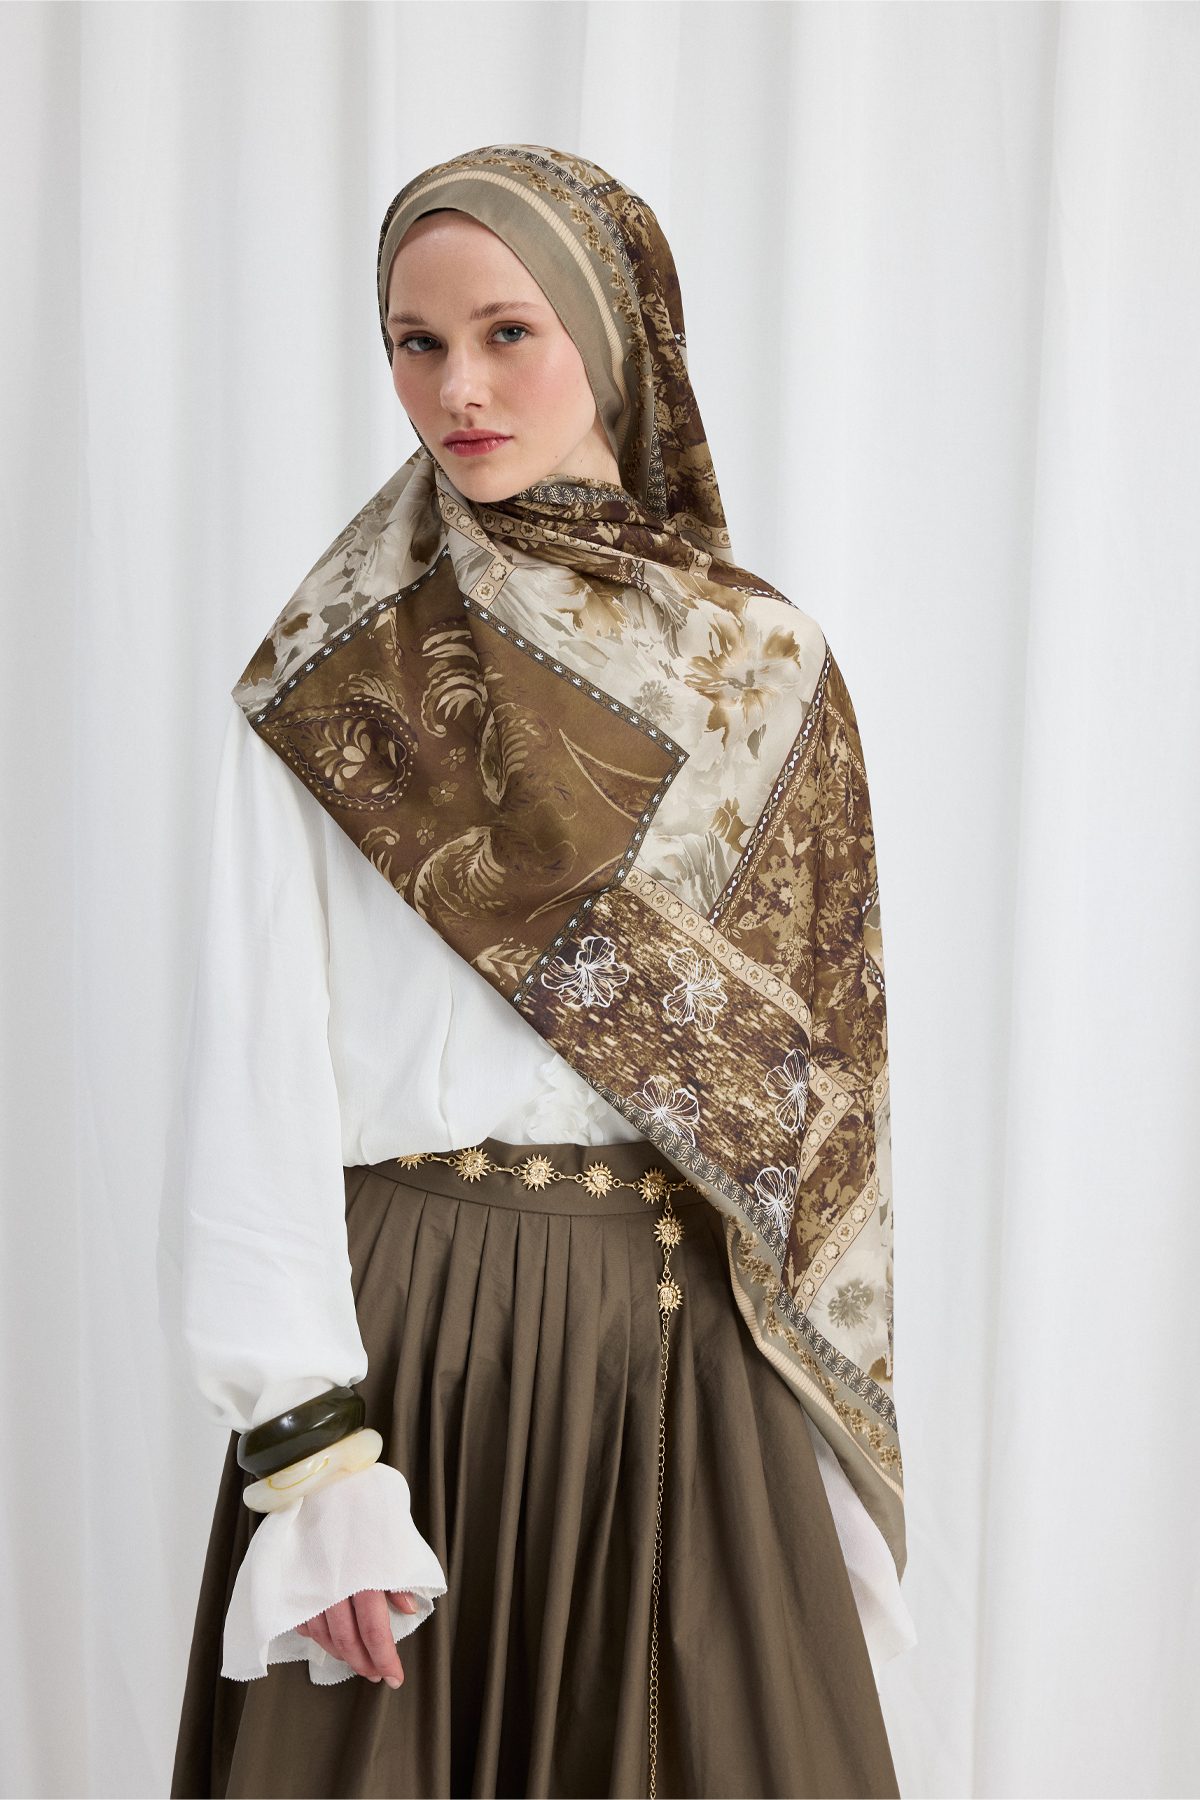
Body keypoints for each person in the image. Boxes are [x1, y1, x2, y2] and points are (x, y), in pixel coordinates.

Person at [167, 144, 912, 1800]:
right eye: (417, 342)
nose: (461, 388)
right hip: (414, 1346)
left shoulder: (765, 672)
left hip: (691, 1358)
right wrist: (314, 1461)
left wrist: (828, 1467)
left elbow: (824, 1104)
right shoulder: (337, 669)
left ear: (617, 333)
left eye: (510, 332)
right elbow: (253, 1061)